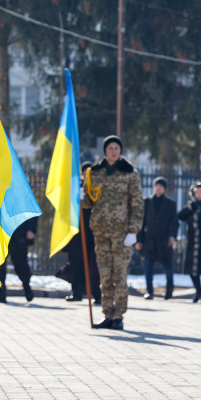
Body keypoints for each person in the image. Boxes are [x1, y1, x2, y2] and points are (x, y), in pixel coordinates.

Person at [82, 135, 144, 330]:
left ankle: (118, 315)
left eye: (117, 148)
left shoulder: (129, 172)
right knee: (105, 275)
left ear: (120, 150)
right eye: (110, 148)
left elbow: (137, 204)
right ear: (105, 151)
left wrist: (133, 230)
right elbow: (88, 202)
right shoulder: (95, 172)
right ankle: (108, 313)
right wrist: (79, 195)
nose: (114, 151)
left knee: (119, 274)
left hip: (121, 233)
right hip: (101, 231)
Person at [63, 162, 101, 303]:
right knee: (77, 264)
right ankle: (77, 293)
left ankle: (97, 295)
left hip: (95, 232)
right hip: (78, 233)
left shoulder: (98, 188)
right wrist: (76, 197)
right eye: (85, 172)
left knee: (94, 267)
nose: (87, 175)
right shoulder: (75, 189)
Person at [136, 177, 178, 300]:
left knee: (168, 268)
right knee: (148, 267)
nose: (158, 188)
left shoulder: (170, 204)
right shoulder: (147, 202)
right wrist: (139, 240)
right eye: (156, 186)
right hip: (150, 240)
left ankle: (169, 291)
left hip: (165, 241)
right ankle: (150, 292)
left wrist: (172, 237)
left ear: (164, 188)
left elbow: (174, 223)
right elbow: (141, 223)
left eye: (161, 186)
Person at [0, 216, 39, 303]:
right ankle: (1, 293)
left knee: (21, 265)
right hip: (0, 233)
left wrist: (31, 228)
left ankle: (27, 288)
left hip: (19, 234)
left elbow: (31, 210)